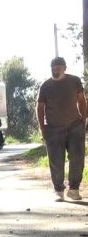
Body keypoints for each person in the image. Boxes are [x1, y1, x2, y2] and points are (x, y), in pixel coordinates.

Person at [36, 56, 88, 202]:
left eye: (58, 67)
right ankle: (58, 190)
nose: (55, 70)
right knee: (56, 161)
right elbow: (40, 108)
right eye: (53, 68)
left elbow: (82, 101)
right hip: (53, 129)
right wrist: (42, 128)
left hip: (74, 126)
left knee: (77, 159)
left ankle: (74, 189)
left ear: (64, 68)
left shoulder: (74, 81)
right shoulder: (45, 86)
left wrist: (83, 121)